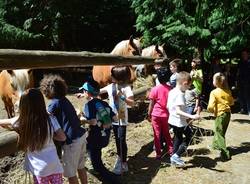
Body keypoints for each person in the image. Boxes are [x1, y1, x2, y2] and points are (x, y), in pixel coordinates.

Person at [0, 88, 66, 184]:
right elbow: (62, 137)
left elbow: (6, 121)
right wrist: (50, 135)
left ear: (23, 106)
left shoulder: (21, 122)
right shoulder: (50, 118)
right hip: (54, 164)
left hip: (39, 169)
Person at [40, 74, 87, 184]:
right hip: (81, 136)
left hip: (71, 142)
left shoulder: (54, 103)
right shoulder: (64, 99)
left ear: (47, 91)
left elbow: (44, 116)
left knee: (70, 174)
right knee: (81, 167)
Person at [79, 80, 121, 184]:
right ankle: (95, 165)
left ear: (87, 93)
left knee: (97, 164)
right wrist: (104, 123)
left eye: (83, 91)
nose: (83, 93)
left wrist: (82, 118)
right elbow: (115, 118)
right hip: (105, 136)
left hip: (95, 137)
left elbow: (92, 122)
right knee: (90, 150)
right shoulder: (104, 103)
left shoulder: (88, 105)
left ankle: (113, 179)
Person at [100, 66, 134, 175]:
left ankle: (123, 162)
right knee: (117, 139)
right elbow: (98, 91)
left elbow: (132, 103)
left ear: (119, 77)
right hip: (113, 118)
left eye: (113, 74)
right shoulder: (111, 86)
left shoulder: (126, 88)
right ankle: (121, 159)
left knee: (121, 139)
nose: (111, 76)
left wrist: (122, 97)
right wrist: (87, 93)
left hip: (121, 118)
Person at [167, 71, 200, 166]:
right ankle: (176, 156)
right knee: (189, 136)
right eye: (188, 86)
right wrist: (192, 116)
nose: (188, 88)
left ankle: (174, 158)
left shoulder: (172, 91)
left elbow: (168, 106)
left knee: (178, 138)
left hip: (172, 120)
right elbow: (178, 111)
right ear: (185, 83)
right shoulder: (180, 94)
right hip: (179, 122)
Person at [207, 72, 234, 161]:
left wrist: (211, 111)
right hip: (228, 114)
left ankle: (225, 154)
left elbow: (210, 106)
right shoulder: (228, 91)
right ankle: (216, 145)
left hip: (220, 115)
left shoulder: (214, 92)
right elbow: (231, 103)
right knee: (221, 132)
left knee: (219, 134)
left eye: (213, 79)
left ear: (216, 82)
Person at [147, 67, 173, 159]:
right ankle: (171, 150)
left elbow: (151, 104)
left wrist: (149, 114)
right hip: (166, 115)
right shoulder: (171, 89)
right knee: (167, 133)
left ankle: (158, 153)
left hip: (156, 115)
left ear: (157, 78)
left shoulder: (154, 89)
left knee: (157, 134)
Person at [237, 49, 250, 115]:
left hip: (248, 81)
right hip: (241, 81)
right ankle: (243, 109)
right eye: (243, 54)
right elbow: (238, 72)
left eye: (245, 54)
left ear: (248, 54)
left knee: (248, 96)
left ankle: (249, 110)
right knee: (241, 96)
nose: (243, 55)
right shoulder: (240, 62)